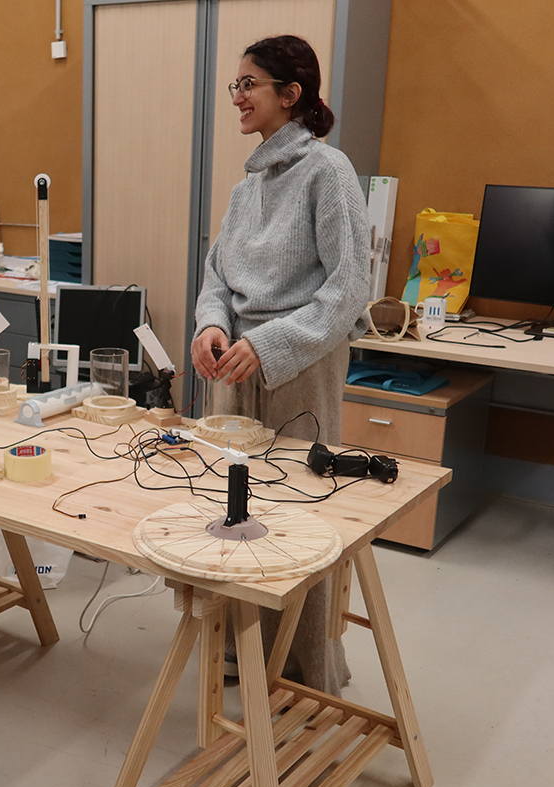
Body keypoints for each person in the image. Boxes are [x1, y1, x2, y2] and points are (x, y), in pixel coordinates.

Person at [190, 35, 373, 695]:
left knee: (296, 513)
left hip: (299, 365)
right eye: (235, 85)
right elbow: (217, 275)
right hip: (234, 369)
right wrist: (211, 324)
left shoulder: (329, 172)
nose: (237, 96)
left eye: (249, 84)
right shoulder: (247, 189)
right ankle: (238, 650)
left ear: (290, 95)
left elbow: (348, 290)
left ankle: (303, 666)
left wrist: (269, 345)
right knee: (233, 509)